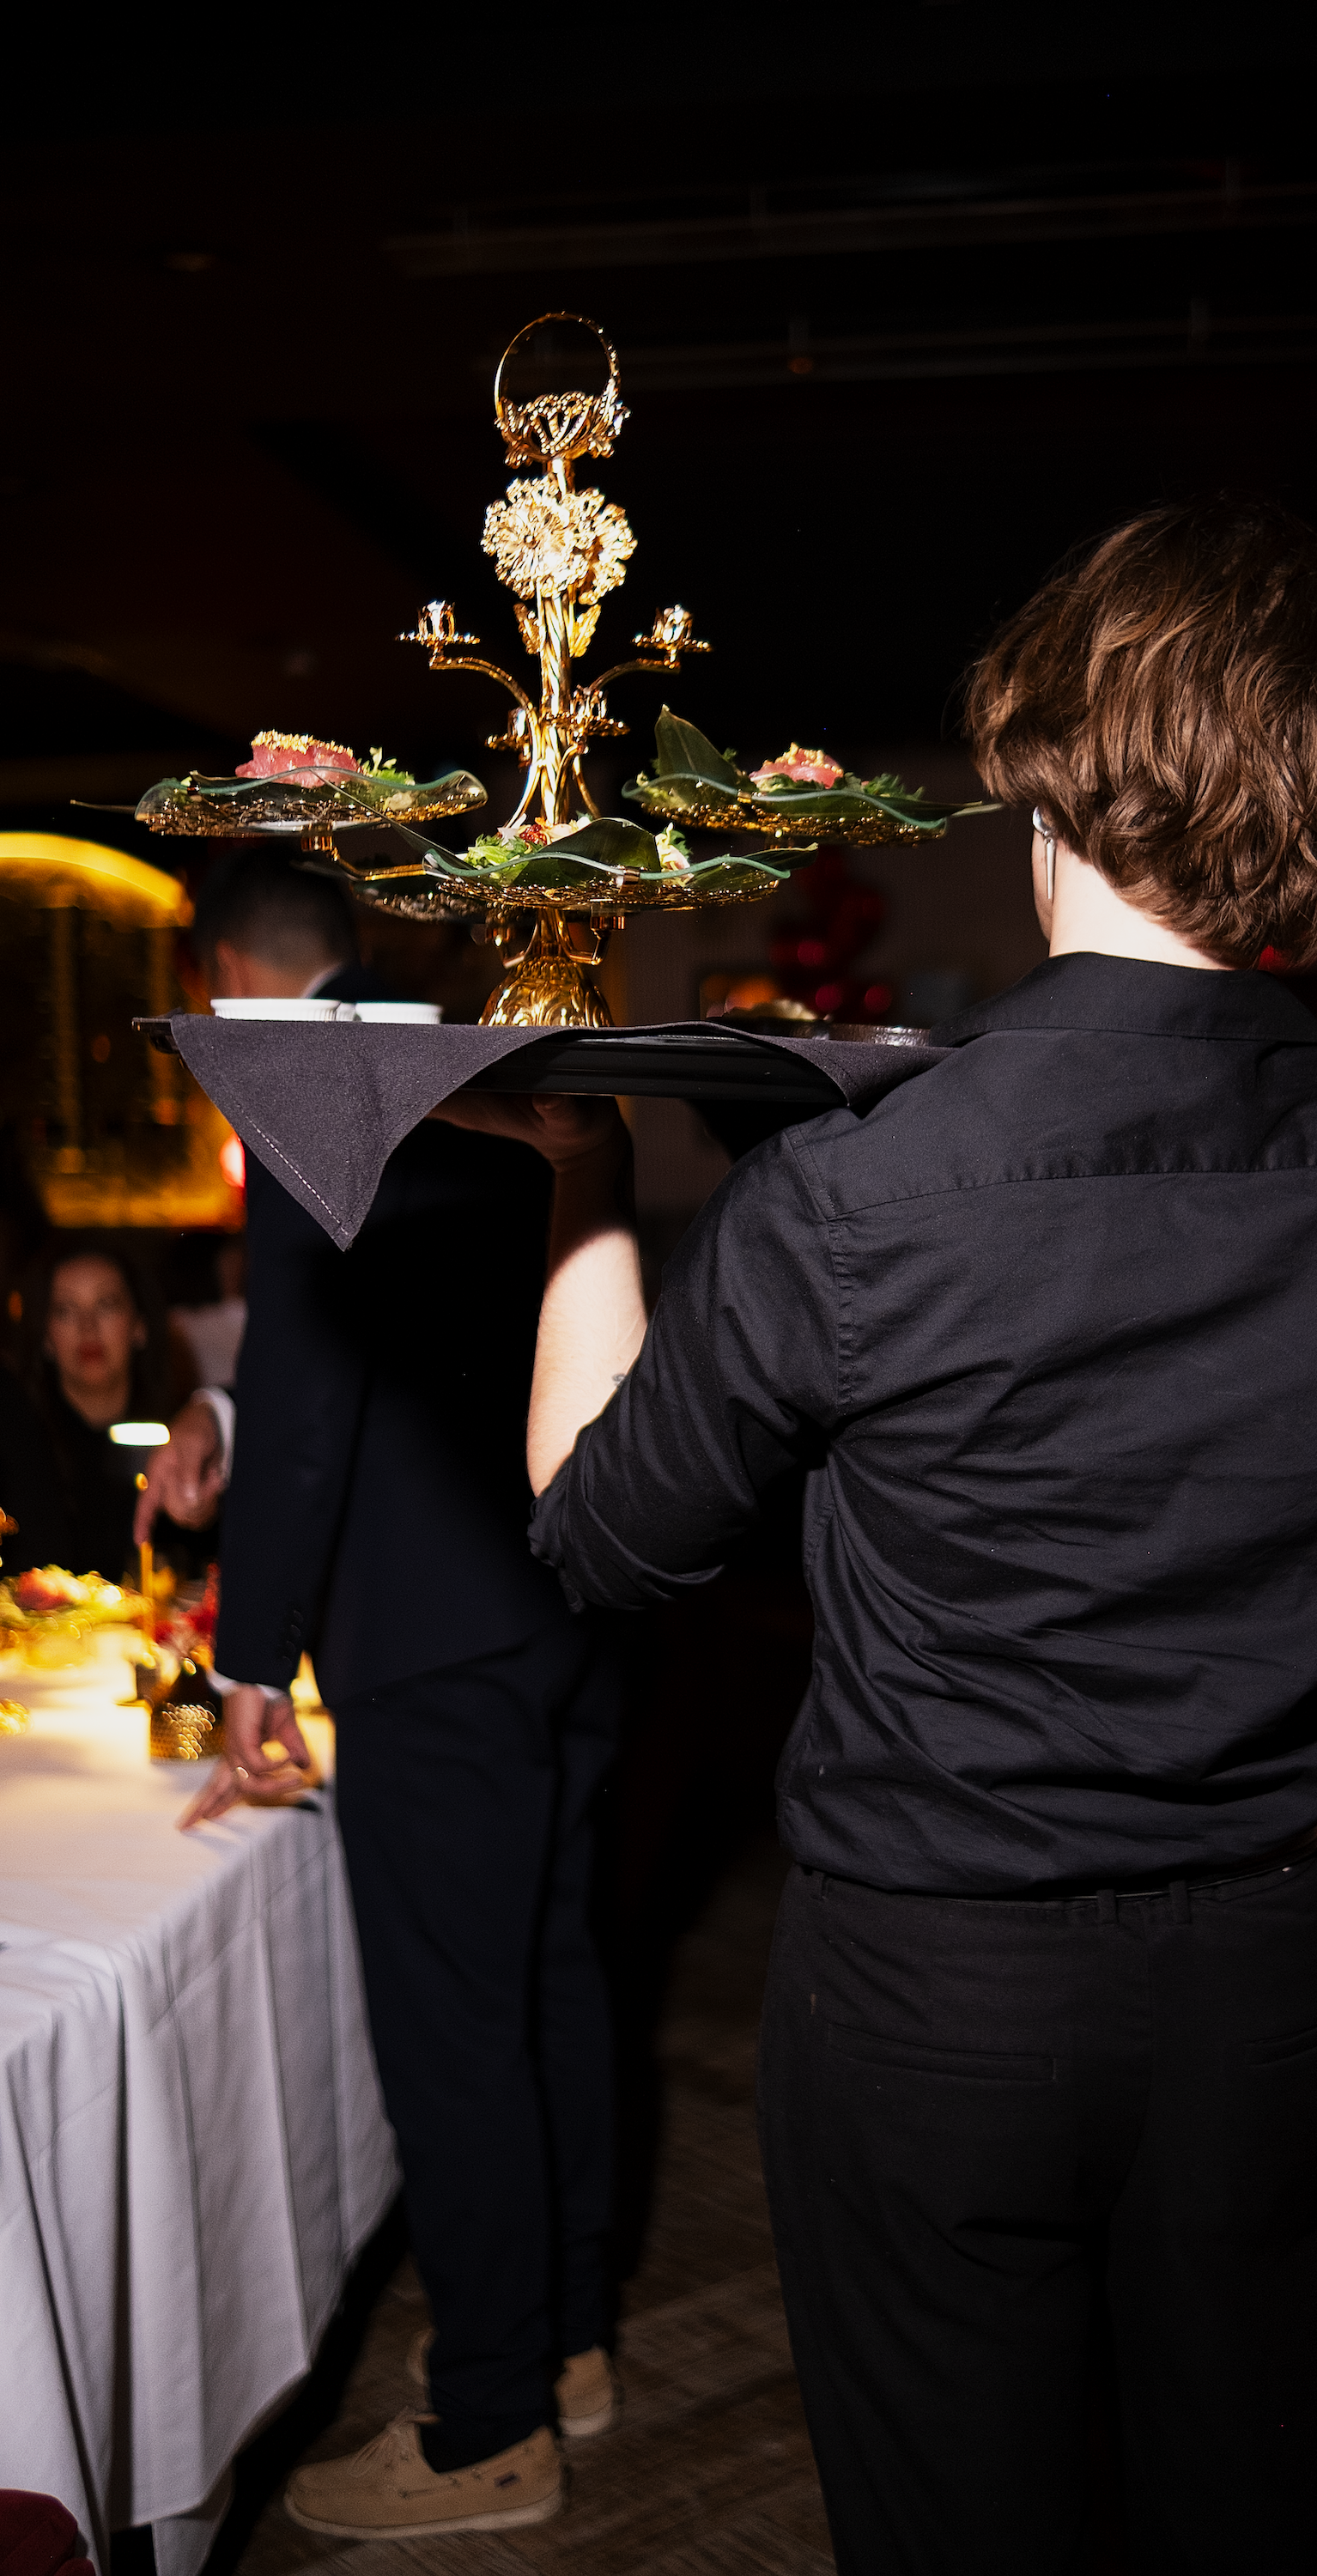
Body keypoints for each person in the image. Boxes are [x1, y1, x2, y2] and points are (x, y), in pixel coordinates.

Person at [466, 501, 1317, 2574]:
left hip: (924, 1996)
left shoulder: (853, 1186)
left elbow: (598, 1538)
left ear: (1041, 776)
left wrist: (580, 1176)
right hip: (1257, 1993)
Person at [141, 850, 620, 2540]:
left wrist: (252, 1657)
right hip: (566, 1608)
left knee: (455, 2040)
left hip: (427, 1644)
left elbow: (308, 1378)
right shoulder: (506, 1065)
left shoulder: (304, 1080)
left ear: (221, 974)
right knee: (554, 1990)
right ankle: (562, 2345)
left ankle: (490, 2423)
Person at [0, 1239, 179, 1583]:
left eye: (106, 1305)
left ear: (140, 1324)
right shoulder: (18, 1441)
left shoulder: (177, 1438)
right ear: (46, 1337)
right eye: (65, 1310)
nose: (87, 1328)